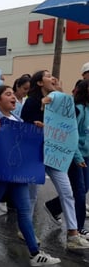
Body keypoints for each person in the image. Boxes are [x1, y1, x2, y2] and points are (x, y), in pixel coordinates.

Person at [0, 85, 61, 267]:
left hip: (17, 173)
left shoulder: (17, 119)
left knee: (23, 209)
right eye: (8, 94)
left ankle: (35, 253)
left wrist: (39, 133)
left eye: (13, 94)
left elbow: (23, 146)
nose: (13, 97)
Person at [21, 70, 89, 249]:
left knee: (67, 191)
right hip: (36, 154)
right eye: (47, 75)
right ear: (39, 83)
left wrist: (61, 91)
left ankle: (73, 234)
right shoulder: (32, 102)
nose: (52, 78)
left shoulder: (60, 101)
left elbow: (70, 126)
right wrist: (42, 120)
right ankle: (26, 230)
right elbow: (25, 126)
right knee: (32, 195)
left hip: (56, 154)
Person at [42, 79, 89, 239]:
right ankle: (78, 228)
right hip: (70, 155)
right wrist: (77, 156)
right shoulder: (77, 109)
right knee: (78, 191)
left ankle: (53, 207)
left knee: (81, 189)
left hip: (83, 155)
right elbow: (70, 135)